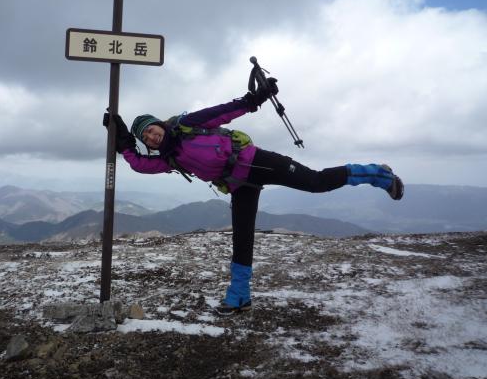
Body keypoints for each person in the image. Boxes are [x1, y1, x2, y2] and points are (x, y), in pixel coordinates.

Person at [104, 79, 404, 316]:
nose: (151, 137)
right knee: (243, 237)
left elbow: (222, 112)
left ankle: (379, 175)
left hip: (257, 162)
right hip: (238, 185)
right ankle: (239, 297)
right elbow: (140, 165)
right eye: (146, 138)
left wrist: (255, 99)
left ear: (159, 124)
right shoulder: (169, 158)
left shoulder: (188, 124)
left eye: (151, 130)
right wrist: (125, 143)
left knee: (316, 182)